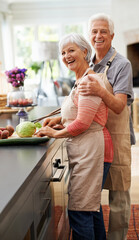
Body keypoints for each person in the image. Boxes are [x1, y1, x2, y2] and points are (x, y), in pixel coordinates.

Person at [36, 33, 113, 240]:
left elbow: (83, 123)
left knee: (80, 211)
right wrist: (60, 120)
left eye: (71, 50)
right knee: (89, 208)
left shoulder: (89, 81)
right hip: (84, 148)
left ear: (85, 52)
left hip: (89, 150)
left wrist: (55, 133)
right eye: (62, 52)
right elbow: (79, 113)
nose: (66, 55)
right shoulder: (80, 79)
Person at [78, 13, 136, 240]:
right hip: (93, 138)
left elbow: (120, 106)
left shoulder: (123, 64)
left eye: (103, 31)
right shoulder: (88, 64)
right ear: (89, 36)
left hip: (117, 136)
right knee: (90, 195)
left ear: (112, 35)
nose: (98, 35)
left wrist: (100, 91)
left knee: (118, 196)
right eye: (94, 31)